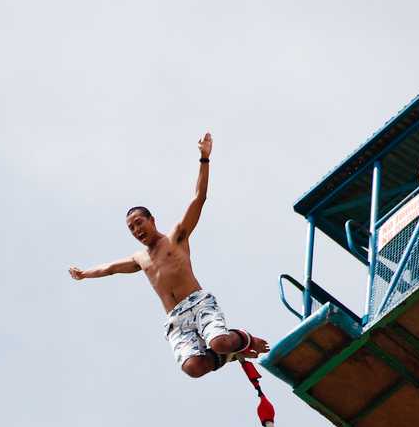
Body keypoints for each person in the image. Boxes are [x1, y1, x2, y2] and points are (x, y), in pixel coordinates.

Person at [68, 133, 269, 378]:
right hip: (176, 319)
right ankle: (228, 354)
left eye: (139, 223)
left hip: (198, 304)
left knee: (219, 343)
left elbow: (199, 198)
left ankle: (242, 339)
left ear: (152, 220)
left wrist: (204, 160)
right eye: (131, 228)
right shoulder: (140, 259)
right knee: (193, 369)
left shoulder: (177, 237)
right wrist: (84, 274)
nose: (136, 230)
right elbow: (110, 268)